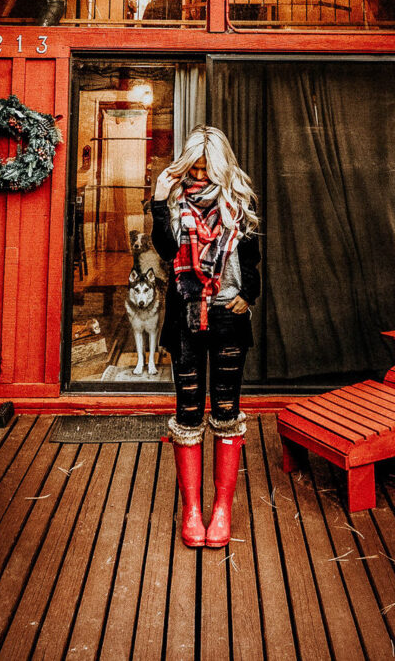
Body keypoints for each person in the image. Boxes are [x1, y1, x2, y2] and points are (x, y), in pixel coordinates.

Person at [151, 125, 260, 548]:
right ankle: (192, 512)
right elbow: (164, 248)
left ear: (220, 168)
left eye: (205, 170)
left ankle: (221, 510)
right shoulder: (175, 202)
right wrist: (160, 200)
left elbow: (251, 258)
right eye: (192, 169)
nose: (198, 177)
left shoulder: (239, 204)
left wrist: (248, 296)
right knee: (189, 411)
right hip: (186, 316)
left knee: (228, 408)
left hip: (228, 315)